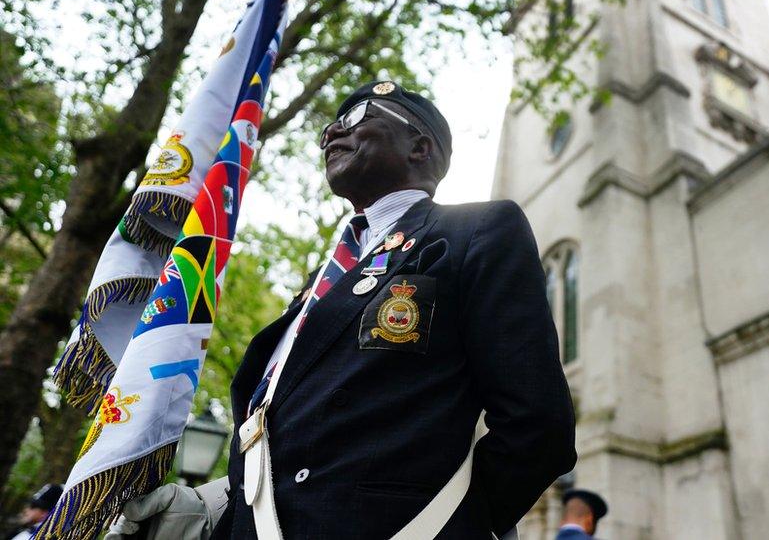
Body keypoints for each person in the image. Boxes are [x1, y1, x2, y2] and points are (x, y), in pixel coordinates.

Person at [112, 81, 577, 539]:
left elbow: (538, 427)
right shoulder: (322, 281)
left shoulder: (474, 231)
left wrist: (454, 526)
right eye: (330, 128)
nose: (332, 134)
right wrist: (214, 508)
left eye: (357, 119)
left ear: (419, 147)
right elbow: (298, 438)